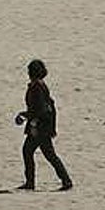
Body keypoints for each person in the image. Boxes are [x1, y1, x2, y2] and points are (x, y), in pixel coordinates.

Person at [15, 59, 73, 191]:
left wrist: (31, 121)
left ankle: (64, 181)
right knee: (38, 152)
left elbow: (40, 109)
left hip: (40, 127)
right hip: (42, 125)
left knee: (39, 152)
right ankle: (62, 181)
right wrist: (26, 116)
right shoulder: (39, 85)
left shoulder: (37, 87)